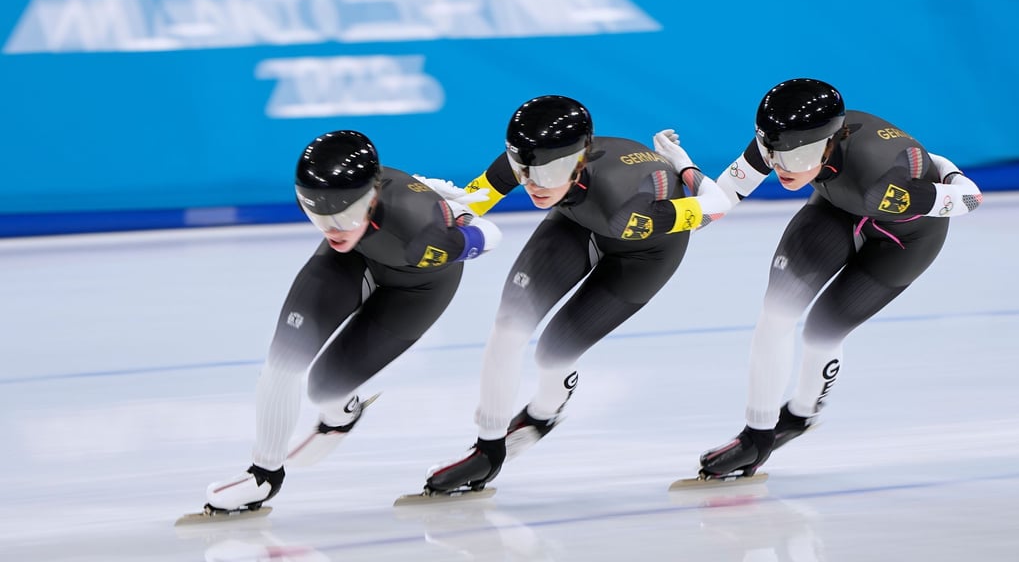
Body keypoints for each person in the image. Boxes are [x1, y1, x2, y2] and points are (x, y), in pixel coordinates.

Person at [654, 78, 983, 479]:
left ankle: (801, 415)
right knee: (775, 316)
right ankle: (756, 438)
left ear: (831, 142)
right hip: (835, 208)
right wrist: (686, 168)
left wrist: (946, 170)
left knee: (821, 333)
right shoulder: (777, 141)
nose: (782, 168)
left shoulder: (881, 181)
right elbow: (721, 202)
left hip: (903, 238)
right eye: (774, 155)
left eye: (797, 157)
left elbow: (969, 199)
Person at [421, 95, 731, 495]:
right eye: (524, 172)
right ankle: (487, 451)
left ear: (580, 162)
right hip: (575, 224)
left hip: (644, 251)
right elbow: (473, 202)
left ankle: (543, 414)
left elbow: (718, 205)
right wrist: (438, 206)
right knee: (507, 328)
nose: (534, 184)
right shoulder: (533, 160)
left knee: (552, 352)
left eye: (549, 174)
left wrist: (685, 166)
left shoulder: (625, 203)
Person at [202, 130, 502, 515]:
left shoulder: (417, 222)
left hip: (417, 290)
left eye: (345, 214)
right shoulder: (341, 222)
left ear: (373, 198)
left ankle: (341, 413)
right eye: (318, 215)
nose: (333, 229)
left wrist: (460, 230)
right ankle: (263, 477)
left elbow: (490, 234)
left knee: (324, 390)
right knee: (282, 364)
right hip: (349, 264)